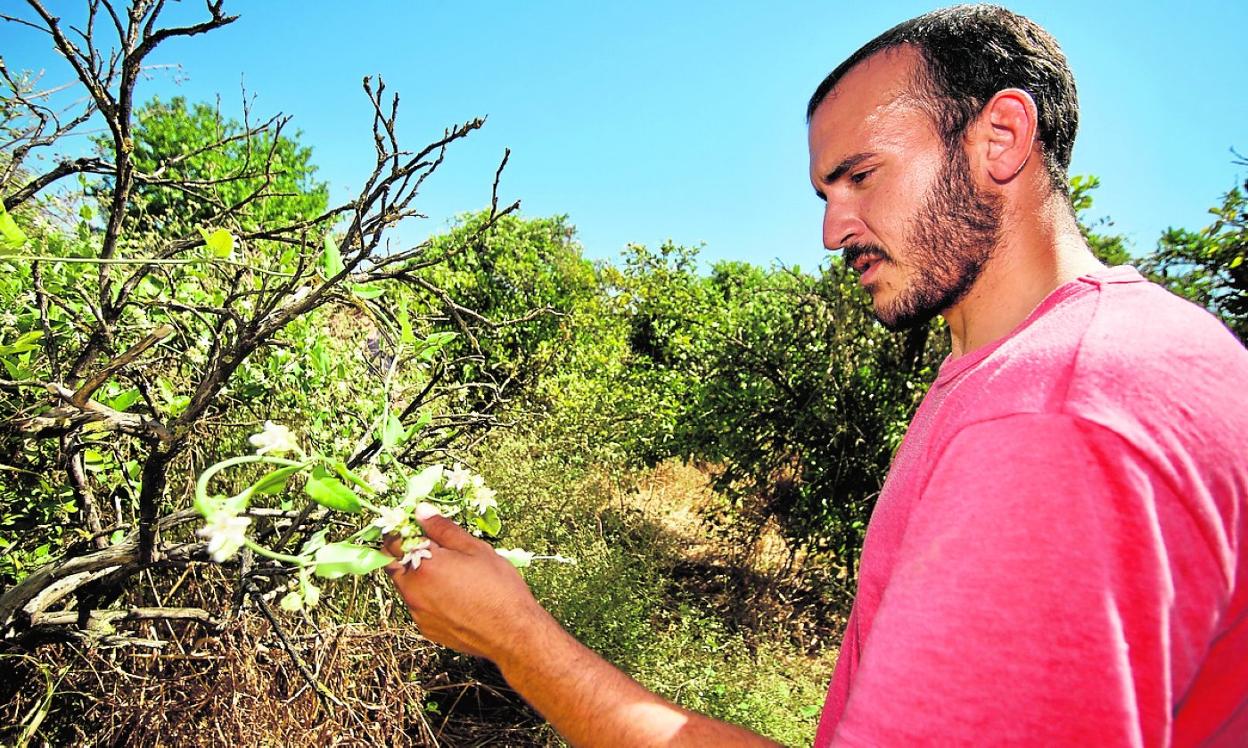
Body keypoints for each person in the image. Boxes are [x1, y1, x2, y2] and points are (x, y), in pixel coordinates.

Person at [386, 5, 1248, 746]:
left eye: (861, 176)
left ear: (1001, 138)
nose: (834, 231)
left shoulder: (1052, 413)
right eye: (823, 194)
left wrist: (518, 640)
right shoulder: (1061, 363)